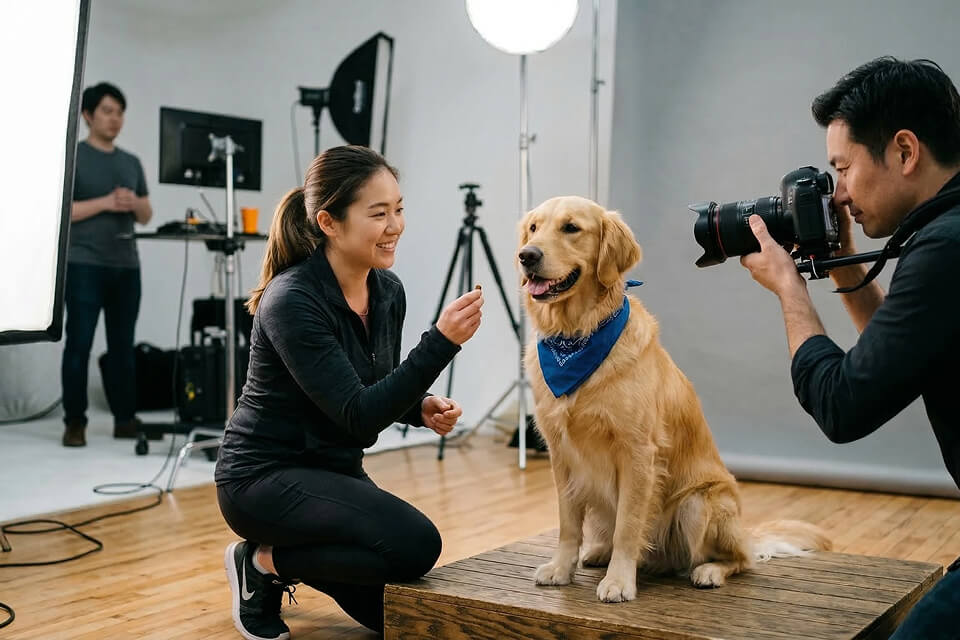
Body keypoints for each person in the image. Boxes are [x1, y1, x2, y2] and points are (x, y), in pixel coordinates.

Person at [214, 145, 484, 639]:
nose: (395, 225)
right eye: (378, 214)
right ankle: (262, 563)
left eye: (398, 209)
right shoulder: (292, 300)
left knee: (394, 618)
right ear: (329, 223)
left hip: (332, 471)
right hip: (262, 479)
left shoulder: (387, 291)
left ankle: (273, 563)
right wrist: (441, 342)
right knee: (417, 544)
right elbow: (358, 416)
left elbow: (369, 382)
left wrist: (419, 408)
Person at [740, 57, 960, 638]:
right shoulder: (948, 234)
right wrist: (844, 267)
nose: (838, 194)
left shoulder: (944, 249)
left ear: (905, 151)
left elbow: (842, 405)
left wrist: (790, 288)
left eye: (843, 168)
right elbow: (902, 358)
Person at [62, 82, 153, 447]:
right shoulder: (74, 156)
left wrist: (133, 202)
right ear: (88, 115)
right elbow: (63, 212)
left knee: (122, 347)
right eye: (107, 111)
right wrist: (105, 202)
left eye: (120, 112)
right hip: (83, 264)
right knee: (79, 344)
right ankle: (75, 422)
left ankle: (125, 419)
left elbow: (146, 215)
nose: (115, 119)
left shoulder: (131, 162)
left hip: (126, 266)